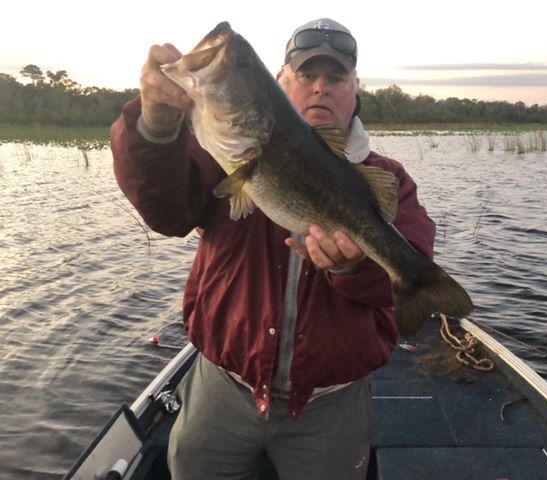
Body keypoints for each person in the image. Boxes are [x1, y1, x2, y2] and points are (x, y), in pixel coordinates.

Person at [111, 18, 436, 480]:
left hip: (331, 402)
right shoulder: (217, 156)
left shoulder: (388, 179)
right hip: (223, 384)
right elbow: (166, 213)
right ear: (281, 84)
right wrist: (155, 127)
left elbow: (406, 271)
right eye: (306, 75)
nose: (320, 88)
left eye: (336, 77)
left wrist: (352, 269)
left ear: (355, 91)